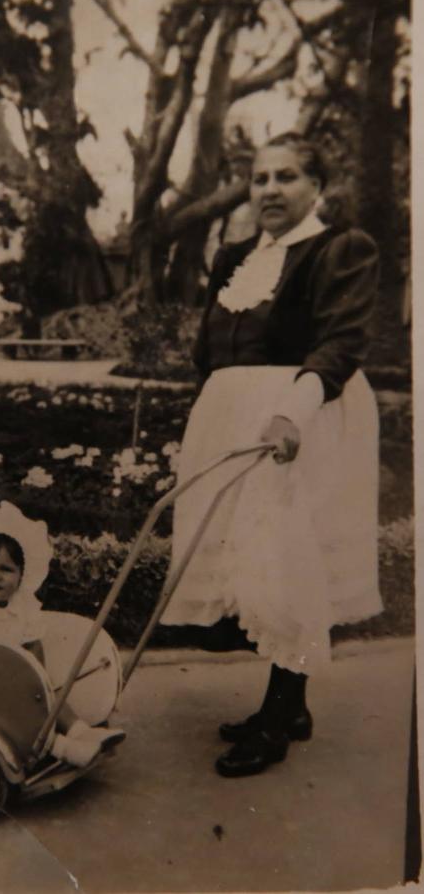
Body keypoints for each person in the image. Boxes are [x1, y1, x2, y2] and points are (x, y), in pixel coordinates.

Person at [160, 132, 383, 778]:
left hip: (299, 414)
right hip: (235, 418)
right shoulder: (233, 255)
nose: (270, 191)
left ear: (317, 187)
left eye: (286, 178)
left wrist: (289, 412)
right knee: (248, 557)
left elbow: (340, 342)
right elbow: (213, 348)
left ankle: (279, 715)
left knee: (285, 558)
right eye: (259, 179)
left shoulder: (339, 249)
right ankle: (292, 704)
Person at [0, 506, 125, 769]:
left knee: (51, 697)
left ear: (20, 577)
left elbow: (33, 643)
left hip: (19, 677)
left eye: (6, 569)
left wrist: (38, 676)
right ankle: (63, 748)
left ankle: (81, 732)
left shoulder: (23, 607)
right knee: (22, 714)